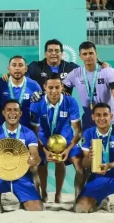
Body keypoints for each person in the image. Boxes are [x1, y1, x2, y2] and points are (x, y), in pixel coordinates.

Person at [0, 99, 43, 213]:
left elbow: (36, 155)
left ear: (20, 113)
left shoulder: (28, 133)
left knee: (36, 209)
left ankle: (24, 201)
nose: (12, 113)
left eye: (15, 110)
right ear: (3, 113)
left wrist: (34, 160)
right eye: (8, 110)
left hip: (21, 177)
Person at [30, 73, 84, 205]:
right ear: (44, 88)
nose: (54, 91)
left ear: (62, 88)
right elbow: (34, 133)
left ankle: (70, 197)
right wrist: (44, 149)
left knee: (80, 165)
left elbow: (78, 131)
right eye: (50, 87)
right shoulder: (37, 104)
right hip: (43, 140)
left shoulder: (70, 102)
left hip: (66, 140)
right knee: (39, 163)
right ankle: (43, 193)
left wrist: (68, 149)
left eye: (57, 87)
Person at [76, 103, 114, 214]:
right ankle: (102, 203)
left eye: (105, 115)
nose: (102, 118)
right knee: (80, 209)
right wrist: (89, 158)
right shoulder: (88, 133)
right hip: (97, 178)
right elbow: (84, 164)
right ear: (93, 117)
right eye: (98, 115)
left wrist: (109, 165)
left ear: (111, 116)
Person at [63, 41, 114, 131]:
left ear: (96, 54)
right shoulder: (75, 74)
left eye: (91, 53)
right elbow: (59, 88)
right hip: (89, 121)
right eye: (85, 54)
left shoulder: (108, 71)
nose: (88, 56)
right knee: (90, 145)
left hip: (110, 119)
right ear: (80, 56)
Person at [0, 56, 41, 127]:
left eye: (20, 65)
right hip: (3, 131)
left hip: (26, 132)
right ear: (9, 68)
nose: (17, 68)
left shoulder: (34, 86)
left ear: (26, 69)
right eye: (14, 65)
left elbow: (40, 109)